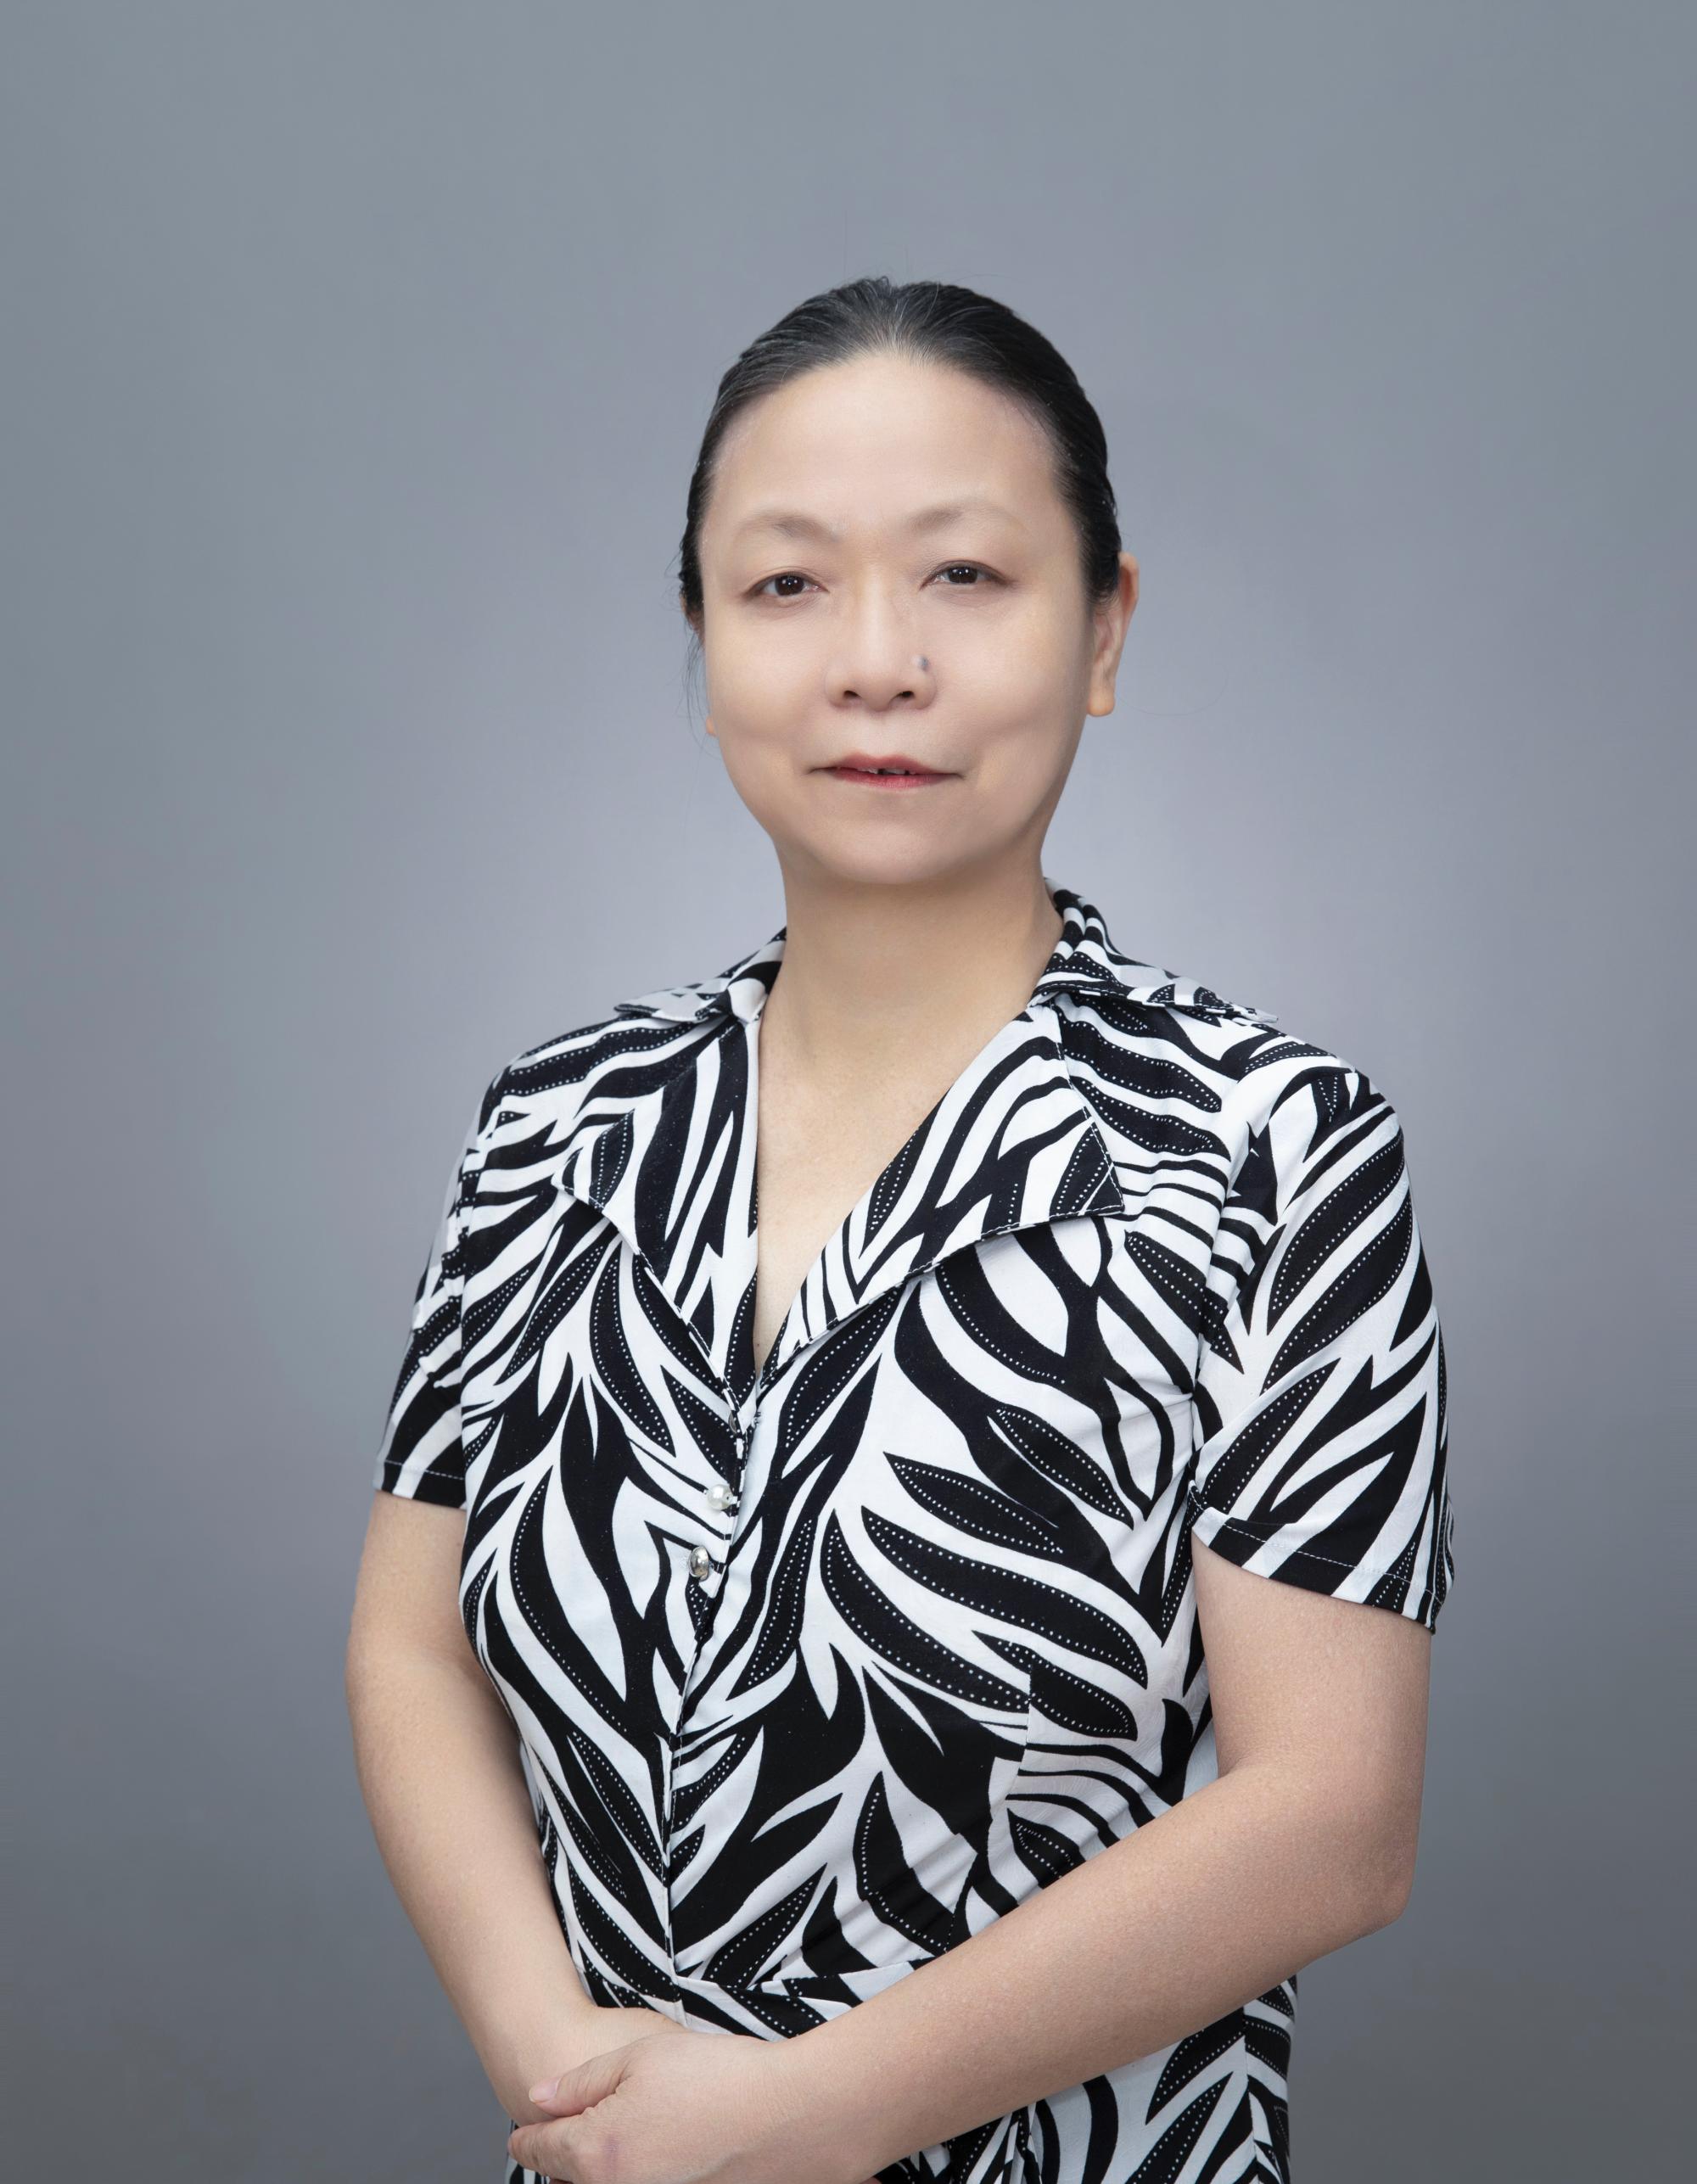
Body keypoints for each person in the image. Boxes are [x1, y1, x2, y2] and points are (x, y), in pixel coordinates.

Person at [345, 275, 1454, 2184]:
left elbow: (1333, 1817)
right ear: (700, 639)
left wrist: (785, 2125)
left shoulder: (1273, 1147)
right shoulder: (558, 1119)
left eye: (965, 575)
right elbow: (411, 1648)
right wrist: (575, 2084)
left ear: (1104, 629)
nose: (876, 661)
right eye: (786, 583)